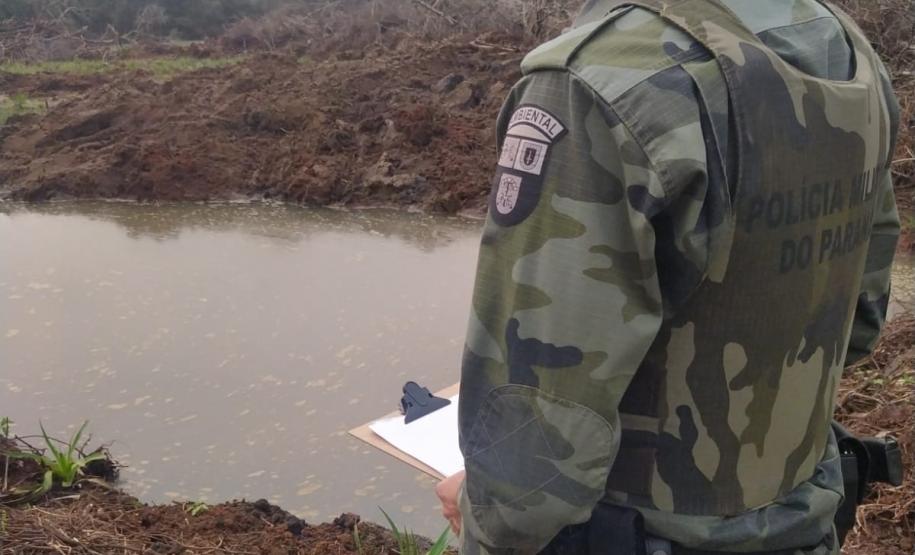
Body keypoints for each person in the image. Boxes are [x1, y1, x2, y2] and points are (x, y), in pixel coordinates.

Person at [435, 0, 901, 553]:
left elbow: (537, 441)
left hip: (641, 533)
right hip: (805, 517)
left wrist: (485, 512)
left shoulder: (601, 79)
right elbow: (861, 320)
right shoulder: (841, 47)